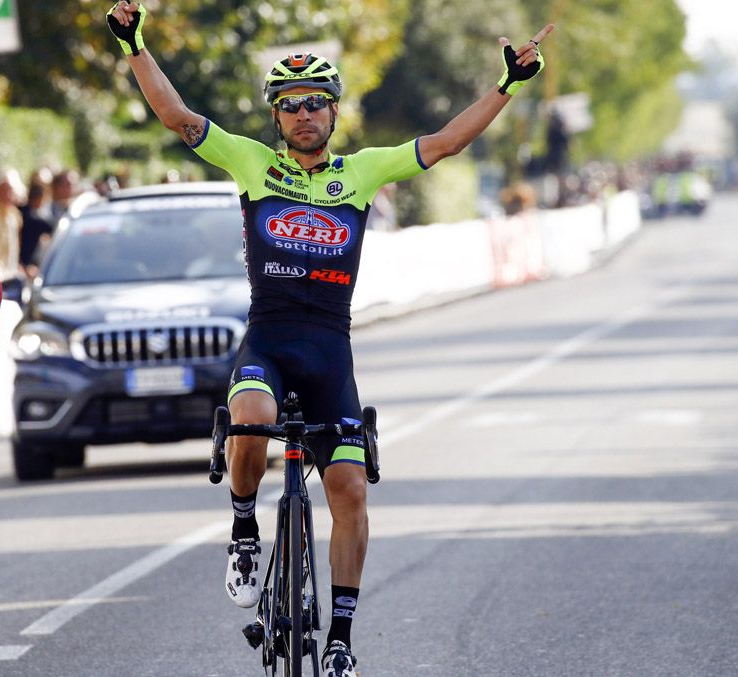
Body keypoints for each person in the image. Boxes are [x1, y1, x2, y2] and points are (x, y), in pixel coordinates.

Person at [107, 4, 551, 674]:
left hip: (328, 351)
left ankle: (340, 638)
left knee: (348, 488)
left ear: (334, 111)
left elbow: (447, 141)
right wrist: (134, 42)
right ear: (276, 119)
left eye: (316, 102)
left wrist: (508, 84)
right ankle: (244, 531)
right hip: (269, 338)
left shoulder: (363, 172)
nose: (304, 114)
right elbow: (175, 116)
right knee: (251, 415)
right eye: (290, 106)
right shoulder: (254, 163)